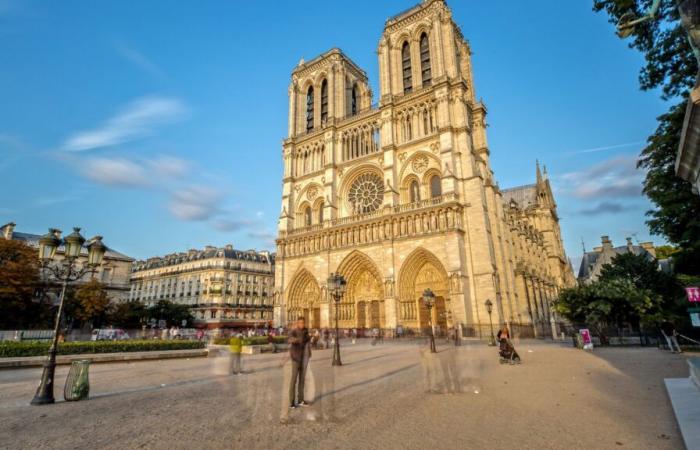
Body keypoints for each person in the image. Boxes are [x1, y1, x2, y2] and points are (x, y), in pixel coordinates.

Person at [288, 316, 311, 408]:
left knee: (302, 380)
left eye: (303, 323)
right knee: (293, 380)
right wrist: (297, 340)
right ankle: (292, 402)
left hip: (304, 358)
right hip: (296, 358)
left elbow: (308, 342)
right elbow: (290, 339)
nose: (302, 324)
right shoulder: (293, 331)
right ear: (297, 323)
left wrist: (309, 354)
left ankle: (301, 400)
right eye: (300, 323)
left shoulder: (306, 331)